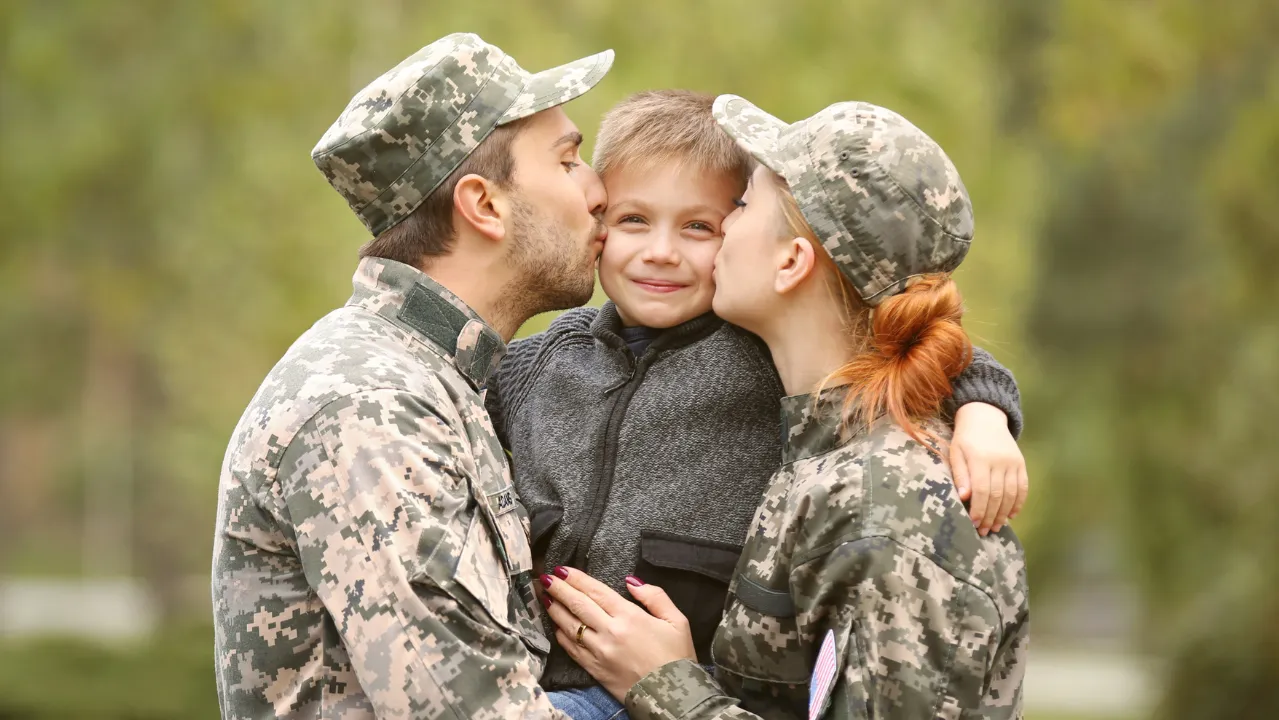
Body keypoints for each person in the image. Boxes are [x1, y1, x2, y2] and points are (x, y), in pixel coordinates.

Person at [488, 90, 1028, 720]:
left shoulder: (884, 499)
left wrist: (984, 411)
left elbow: (927, 353)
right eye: (633, 219)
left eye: (728, 214)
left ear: (792, 261)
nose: (665, 250)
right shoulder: (815, 444)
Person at [211, 32, 613, 719]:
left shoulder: (435, 380)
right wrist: (679, 696)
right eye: (569, 161)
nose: (599, 190)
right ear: (484, 205)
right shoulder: (370, 407)